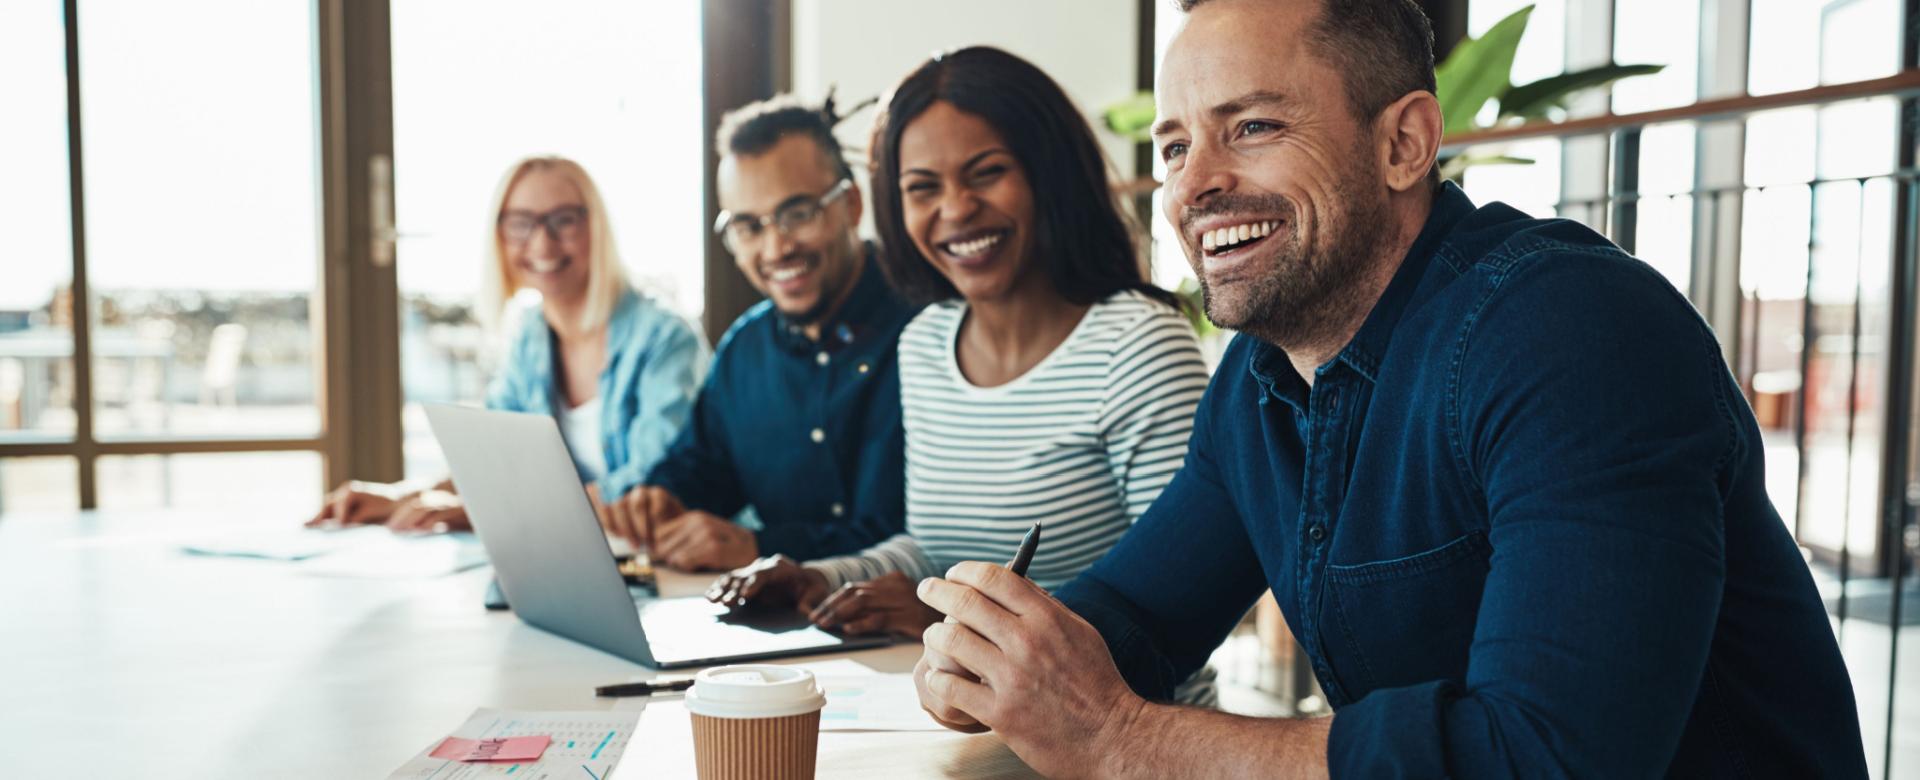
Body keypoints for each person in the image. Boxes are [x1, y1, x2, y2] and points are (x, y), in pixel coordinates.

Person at [908, 0, 1869, 777]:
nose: (1194, 184)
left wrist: (1124, 740)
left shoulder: (1569, 328)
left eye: (1252, 125)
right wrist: (999, 653)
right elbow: (1141, 615)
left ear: (1404, 142)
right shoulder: (1259, 376)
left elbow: (1552, 757)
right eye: (1171, 147)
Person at [706, 48, 1211, 655]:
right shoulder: (925, 342)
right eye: (922, 188)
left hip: (1119, 735)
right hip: (960, 716)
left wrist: (955, 625)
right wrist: (821, 576)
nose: (955, 209)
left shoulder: (1138, 345)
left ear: (1047, 174)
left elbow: (1182, 604)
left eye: (986, 173)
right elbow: (931, 551)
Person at [595, 95, 919, 572]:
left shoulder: (929, 332)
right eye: (748, 226)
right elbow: (704, 466)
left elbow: (918, 537)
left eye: (798, 214)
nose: (776, 247)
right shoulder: (745, 349)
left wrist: (761, 546)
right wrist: (662, 498)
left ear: (850, 204)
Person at [308, 156, 705, 534]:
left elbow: (652, 486)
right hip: (572, 556)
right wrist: (401, 496)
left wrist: (485, 512)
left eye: (563, 221)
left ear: (596, 228)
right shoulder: (530, 336)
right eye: (521, 223)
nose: (542, 244)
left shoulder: (664, 338)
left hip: (666, 560)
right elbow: (496, 462)